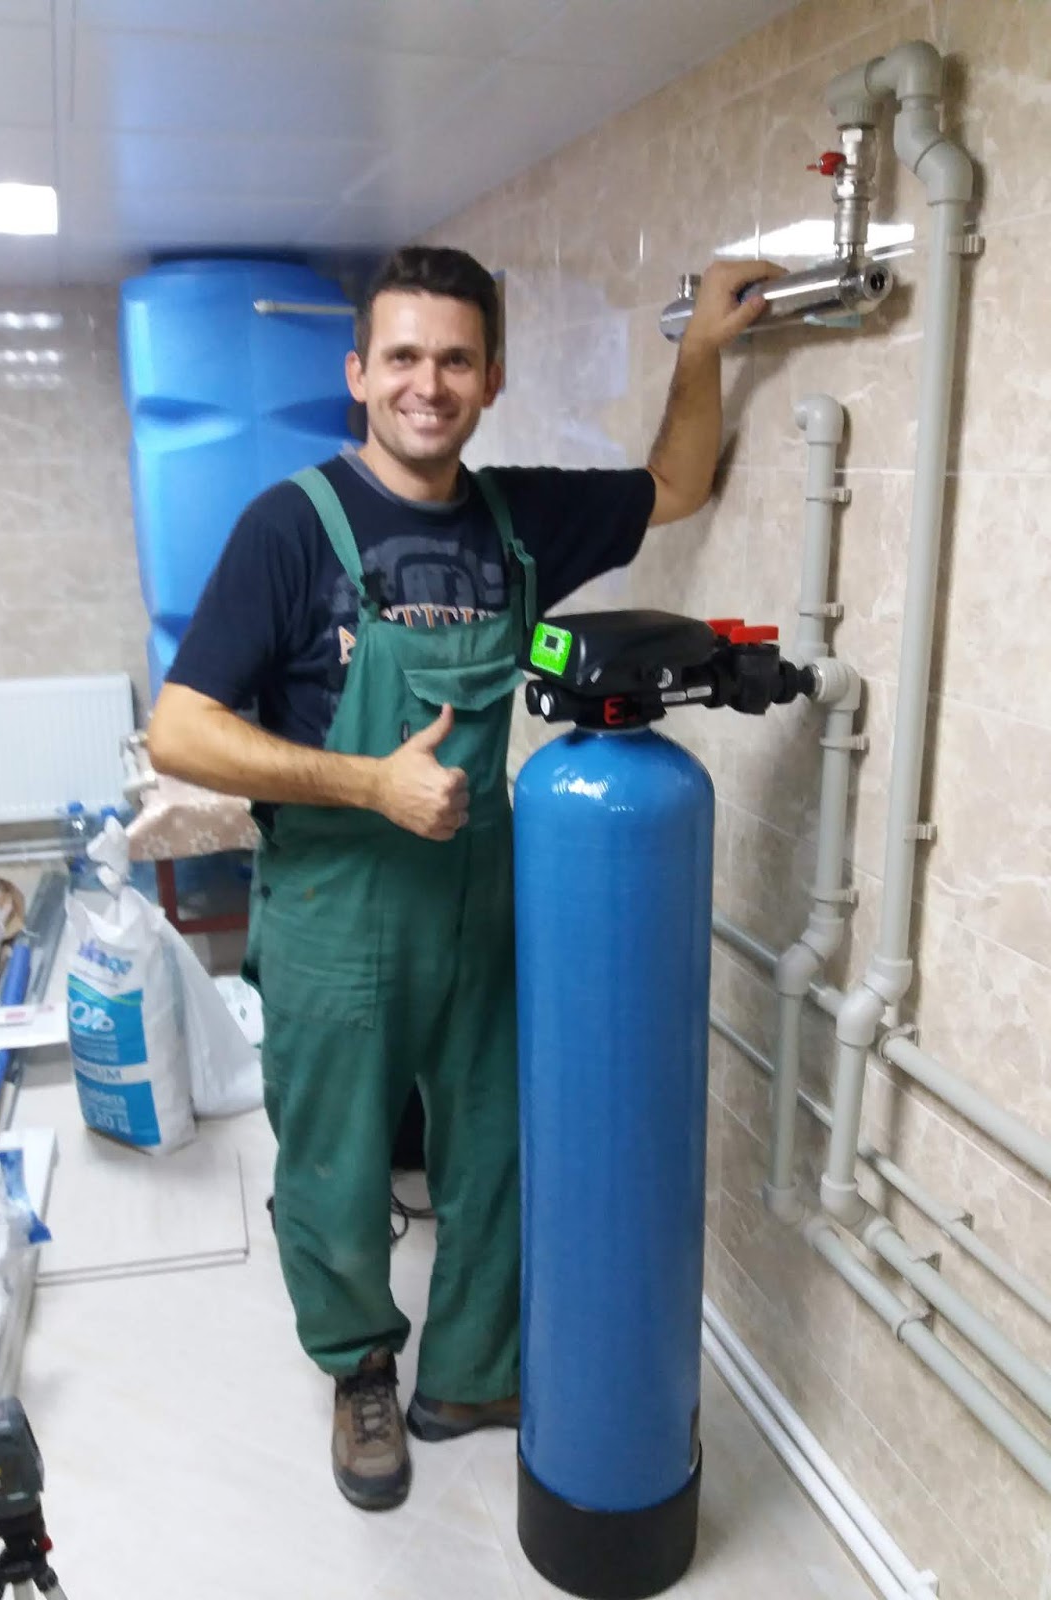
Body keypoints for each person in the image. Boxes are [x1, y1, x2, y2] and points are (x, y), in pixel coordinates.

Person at [147, 245, 777, 1513]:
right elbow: (180, 728)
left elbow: (678, 484)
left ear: (491, 377)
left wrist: (704, 348)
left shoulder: (517, 518)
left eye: (453, 360)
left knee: (498, 1150)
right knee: (335, 1165)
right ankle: (361, 1370)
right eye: (401, 358)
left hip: (489, 905)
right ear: (357, 374)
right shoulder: (290, 527)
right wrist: (366, 781)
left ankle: (475, 1373)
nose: (425, 385)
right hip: (337, 907)